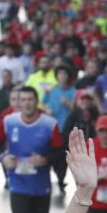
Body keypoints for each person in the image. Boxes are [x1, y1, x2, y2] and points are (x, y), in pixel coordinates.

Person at [0, 85, 64, 213]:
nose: (26, 103)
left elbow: (59, 153)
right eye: (22, 100)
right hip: (18, 183)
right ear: (18, 102)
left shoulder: (49, 123)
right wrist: (3, 157)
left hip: (41, 186)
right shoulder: (9, 121)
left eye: (30, 99)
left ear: (36, 101)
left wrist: (45, 160)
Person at [43, 65, 77, 193]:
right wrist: (46, 111)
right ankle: (57, 179)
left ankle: (62, 181)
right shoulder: (51, 89)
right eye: (60, 74)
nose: (62, 76)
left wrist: (68, 103)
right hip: (52, 130)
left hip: (68, 131)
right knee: (54, 156)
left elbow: (77, 109)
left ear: (69, 76)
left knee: (65, 158)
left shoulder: (74, 91)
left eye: (65, 74)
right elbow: (42, 102)